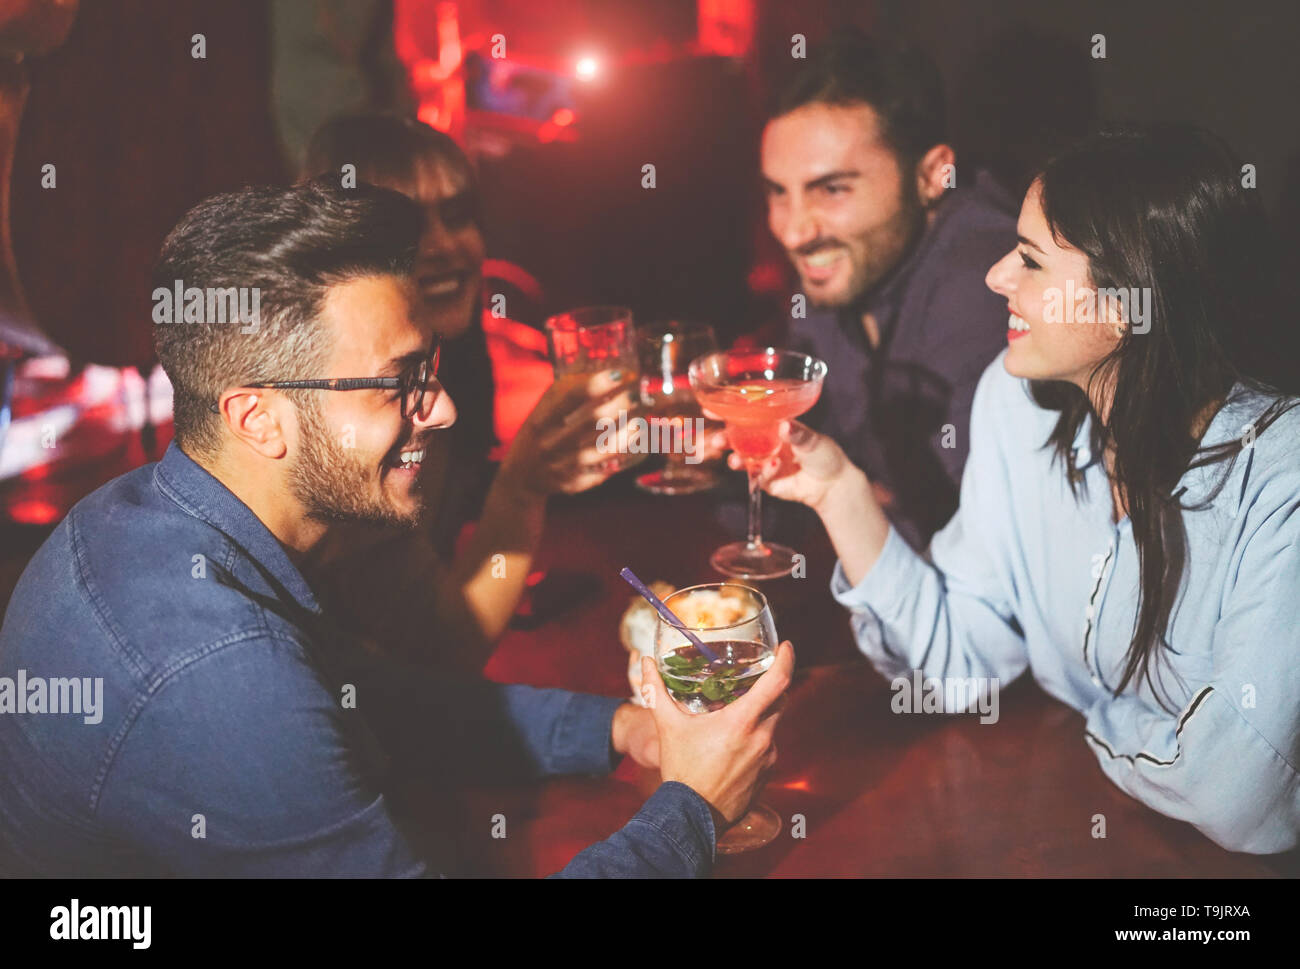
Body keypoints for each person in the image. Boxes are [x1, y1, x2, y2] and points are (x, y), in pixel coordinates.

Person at [0, 180, 792, 876]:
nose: (440, 409)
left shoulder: (150, 515)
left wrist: (619, 729)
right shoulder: (220, 673)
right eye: (398, 383)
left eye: (431, 370)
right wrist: (693, 807)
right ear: (258, 417)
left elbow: (368, 699)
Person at [745, 125, 1300, 853]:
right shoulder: (1016, 407)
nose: (996, 276)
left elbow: (1234, 793)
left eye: (1031, 260)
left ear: (1128, 301)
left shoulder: (1282, 474)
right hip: (1100, 836)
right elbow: (959, 668)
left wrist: (1086, 714)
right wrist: (838, 492)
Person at [298, 113, 613, 671]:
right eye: (407, 227)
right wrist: (522, 486)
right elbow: (441, 650)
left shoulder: (440, 366)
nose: (444, 245)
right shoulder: (344, 420)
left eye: (458, 215)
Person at [759, 33, 1015, 548]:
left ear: (932, 175)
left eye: (832, 189)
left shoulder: (989, 286)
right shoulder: (848, 263)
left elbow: (974, 540)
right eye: (779, 193)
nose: (793, 232)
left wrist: (846, 495)